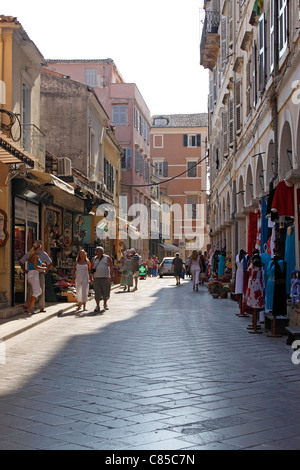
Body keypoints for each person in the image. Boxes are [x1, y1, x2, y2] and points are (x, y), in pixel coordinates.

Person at [20, 240, 52, 313]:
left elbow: (47, 263)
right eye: (39, 247)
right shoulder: (34, 255)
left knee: (39, 291)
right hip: (34, 274)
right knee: (35, 291)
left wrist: (44, 268)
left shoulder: (38, 254)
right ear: (37, 248)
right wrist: (43, 268)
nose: (40, 249)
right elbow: (35, 266)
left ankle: (30, 304)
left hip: (36, 274)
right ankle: (30, 307)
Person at [90, 246, 114, 312]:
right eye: (96, 251)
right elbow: (92, 268)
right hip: (96, 278)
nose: (96, 252)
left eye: (97, 251)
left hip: (105, 277)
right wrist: (91, 278)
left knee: (105, 291)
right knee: (97, 292)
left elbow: (111, 267)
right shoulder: (94, 259)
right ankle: (97, 306)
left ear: (101, 252)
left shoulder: (107, 258)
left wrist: (111, 276)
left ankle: (105, 304)